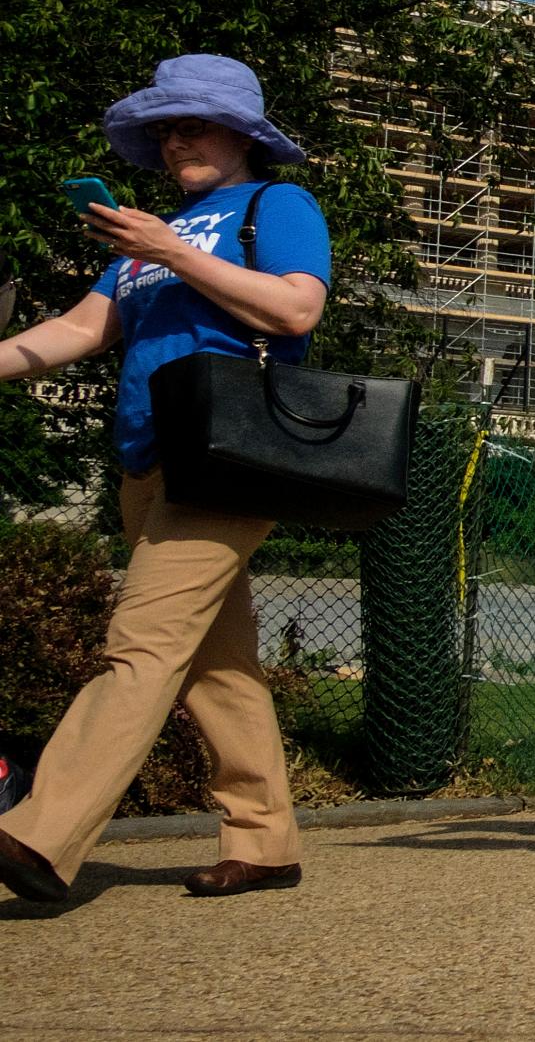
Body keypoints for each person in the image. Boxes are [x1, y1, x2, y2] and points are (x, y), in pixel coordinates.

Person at [0, 57, 330, 904]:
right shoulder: (157, 235)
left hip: (228, 460)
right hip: (149, 463)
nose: (175, 138)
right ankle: (264, 841)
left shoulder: (273, 206)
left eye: (193, 123)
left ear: (242, 135)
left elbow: (296, 309)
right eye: (165, 128)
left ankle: (37, 831)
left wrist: (170, 249)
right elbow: (79, 327)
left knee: (140, 645)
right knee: (218, 666)